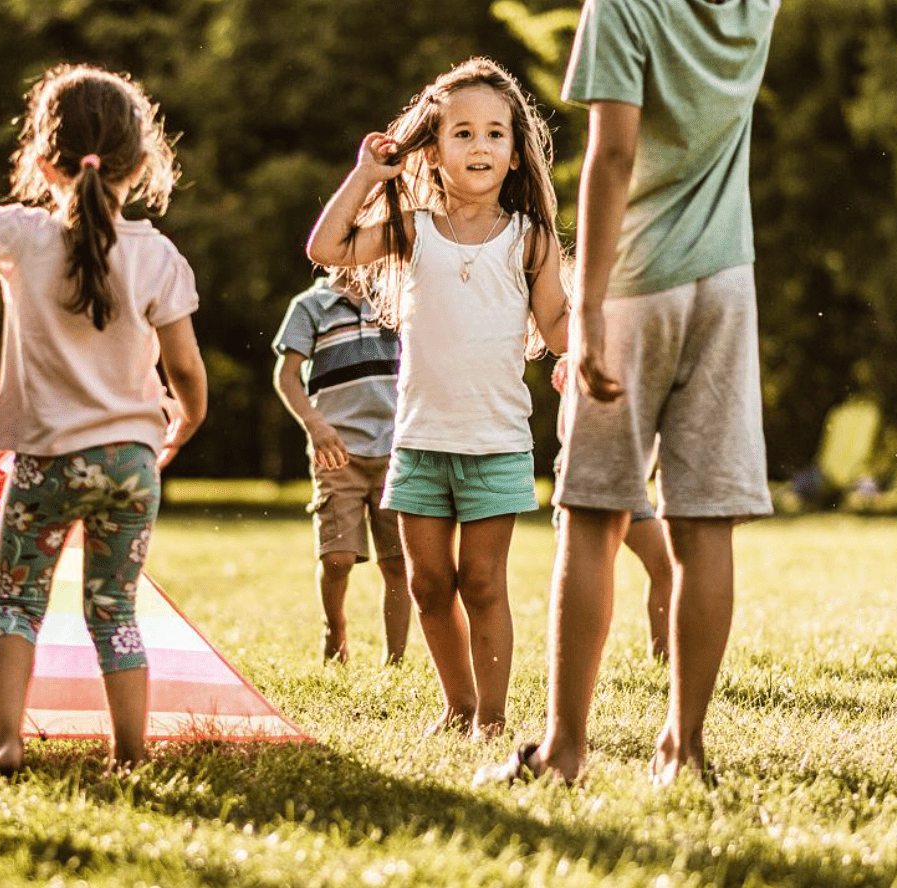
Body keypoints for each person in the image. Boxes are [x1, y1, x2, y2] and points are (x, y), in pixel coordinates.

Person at [478, 0, 779, 787]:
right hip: (728, 286)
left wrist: (590, 304)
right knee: (706, 523)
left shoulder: (622, 8)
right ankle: (685, 750)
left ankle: (565, 752)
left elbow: (613, 156)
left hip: (639, 284)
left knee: (592, 513)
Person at [0, 59, 207, 776]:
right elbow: (186, 371)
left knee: (16, 603)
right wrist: (183, 422)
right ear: (144, 161)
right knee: (115, 612)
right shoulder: (158, 256)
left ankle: (7, 741)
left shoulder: (20, 237)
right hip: (130, 464)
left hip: (45, 464)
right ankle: (130, 753)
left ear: (42, 159)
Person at [307, 58, 569, 741]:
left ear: (516, 153)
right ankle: (455, 706)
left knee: (483, 583)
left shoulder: (530, 241)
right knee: (428, 586)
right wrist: (369, 173)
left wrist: (582, 353)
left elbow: (557, 323)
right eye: (461, 134)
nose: (479, 147)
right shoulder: (411, 228)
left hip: (496, 445)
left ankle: (491, 715)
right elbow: (325, 244)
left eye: (494, 134)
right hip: (420, 443)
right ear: (435, 148)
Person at [273, 268, 410, 665]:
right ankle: (335, 630)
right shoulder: (310, 306)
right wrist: (316, 426)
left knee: (398, 560)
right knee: (337, 558)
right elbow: (286, 376)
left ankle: (396, 660)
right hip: (337, 451)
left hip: (396, 448)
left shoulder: (395, 299)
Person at [551, 361, 673, 662]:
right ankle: (574, 661)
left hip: (629, 476)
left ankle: (663, 654)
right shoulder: (583, 356)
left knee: (665, 566)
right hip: (588, 470)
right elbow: (567, 435)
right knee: (590, 568)